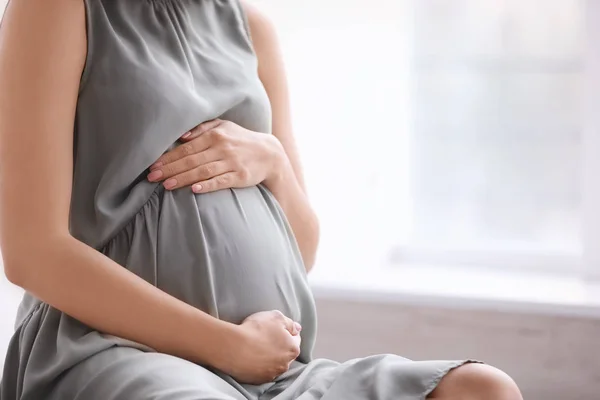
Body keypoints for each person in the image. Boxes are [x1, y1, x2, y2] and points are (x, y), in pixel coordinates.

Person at [0, 1, 523, 399]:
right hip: (111, 349)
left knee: (483, 389)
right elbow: (32, 253)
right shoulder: (58, 9)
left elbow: (305, 250)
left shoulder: (253, 28)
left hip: (276, 371)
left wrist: (273, 161)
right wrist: (228, 346)